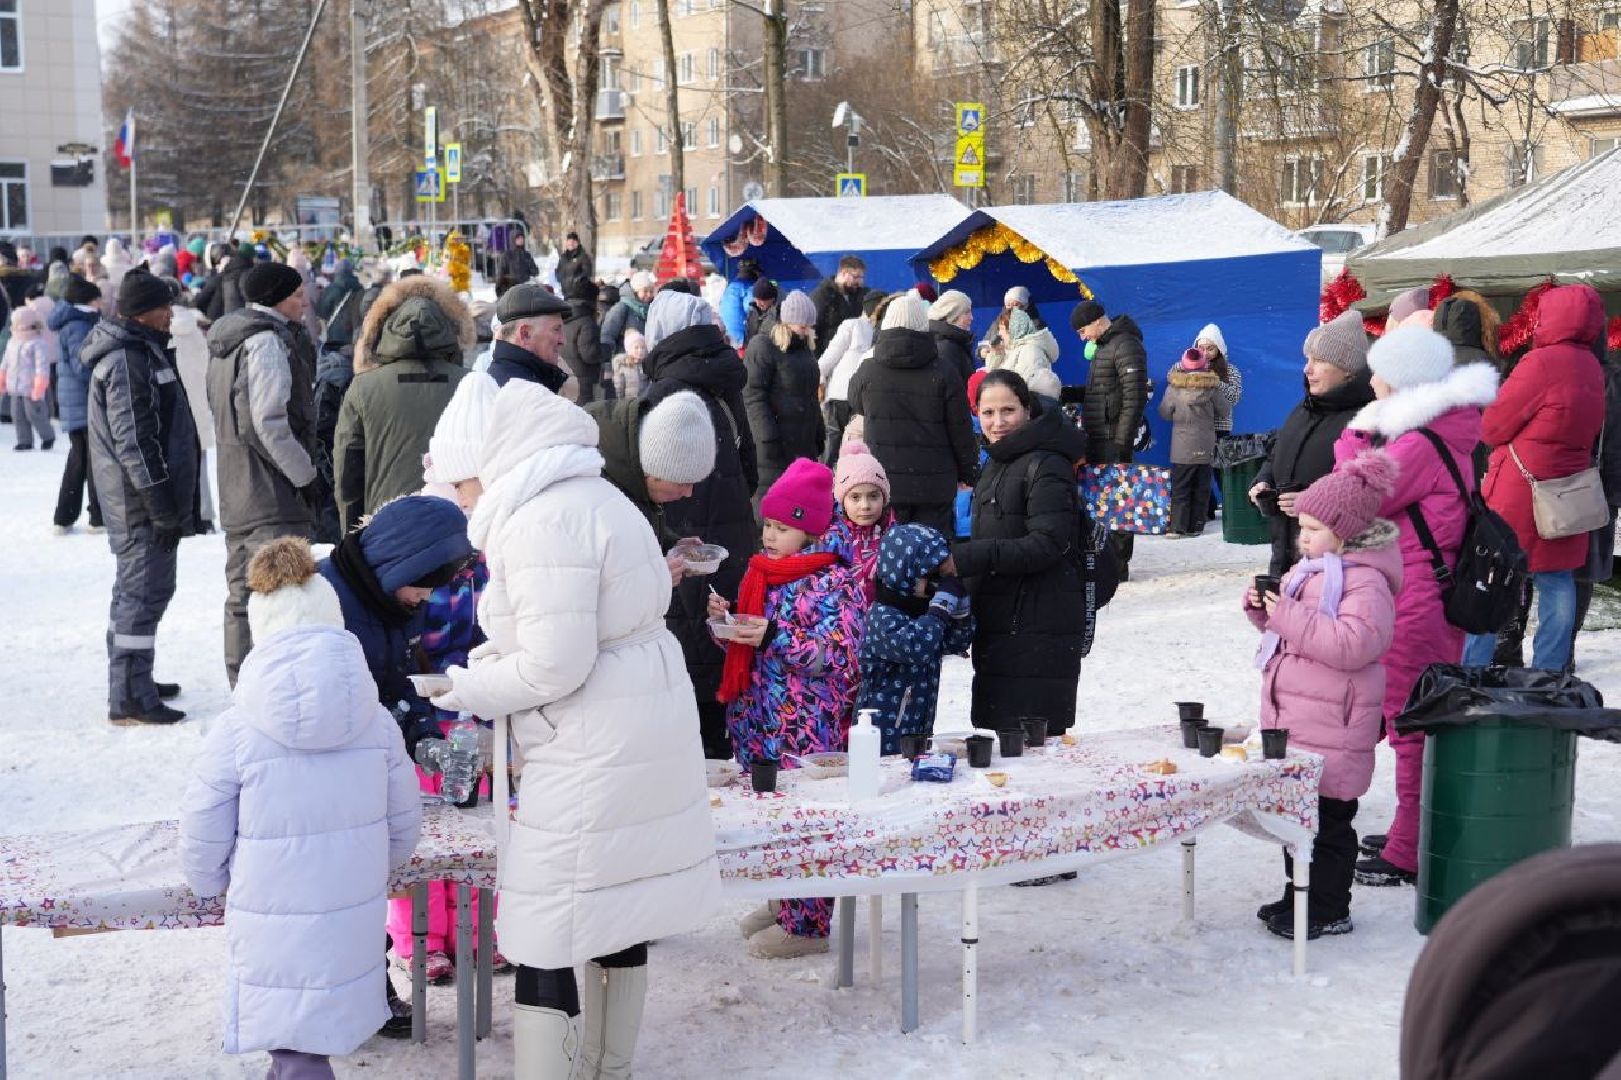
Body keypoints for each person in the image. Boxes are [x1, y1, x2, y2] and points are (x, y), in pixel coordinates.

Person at [430, 380, 720, 1077]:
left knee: (545, 925)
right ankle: (604, 1070)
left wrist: (464, 686)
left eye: (453, 481)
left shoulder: (539, 520)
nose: (456, 498)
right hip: (634, 719)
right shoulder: (592, 496)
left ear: (485, 464)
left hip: (595, 739)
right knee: (616, 908)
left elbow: (553, 666)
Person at [179, 538, 421, 1080]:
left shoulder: (237, 728)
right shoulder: (375, 719)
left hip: (270, 916)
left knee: (295, 1050)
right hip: (351, 913)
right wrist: (364, 865)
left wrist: (210, 881)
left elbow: (203, 826)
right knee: (306, 1045)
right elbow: (405, 825)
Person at [1332, 325, 1499, 887]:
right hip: (1420, 586)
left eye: (1377, 369)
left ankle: (1410, 847)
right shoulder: (1438, 430)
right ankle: (1414, 826)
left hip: (1416, 595)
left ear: (1398, 379)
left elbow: (1349, 498)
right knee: (1408, 714)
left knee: (1410, 719)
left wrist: (1357, 434)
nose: (1369, 379)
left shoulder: (1418, 443)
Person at [709, 457, 864, 959]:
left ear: (812, 530)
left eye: (782, 527)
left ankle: (809, 925)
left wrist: (773, 635)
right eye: (768, 526)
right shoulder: (764, 573)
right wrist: (728, 624)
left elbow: (842, 655)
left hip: (807, 723)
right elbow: (750, 646)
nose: (770, 537)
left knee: (806, 820)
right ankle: (783, 902)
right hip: (761, 719)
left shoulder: (834, 580)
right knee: (772, 818)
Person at [1243, 450, 1400, 940]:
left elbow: (1354, 646)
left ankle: (1329, 908)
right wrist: (1260, 609)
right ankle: (1299, 898)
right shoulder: (1308, 571)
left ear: (1346, 532)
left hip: (1337, 725)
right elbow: (1287, 631)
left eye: (1312, 529)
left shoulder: (1367, 582)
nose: (1302, 537)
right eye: (1301, 528)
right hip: (1297, 720)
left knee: (1329, 825)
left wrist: (1286, 615)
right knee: (1297, 822)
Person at [1464, 284, 1606, 673]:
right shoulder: (1591, 365)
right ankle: (1548, 673)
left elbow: (1492, 427)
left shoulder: (1540, 363)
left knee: (1493, 580)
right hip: (1565, 494)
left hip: (1520, 493)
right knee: (1558, 582)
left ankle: (1474, 669)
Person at [642, 289, 758, 760]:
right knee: (718, 650)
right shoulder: (720, 379)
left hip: (685, 538)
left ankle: (703, 765)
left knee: (692, 655)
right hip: (731, 536)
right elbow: (750, 468)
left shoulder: (668, 391)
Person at [83, 268, 201, 725]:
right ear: (142, 313)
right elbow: (136, 442)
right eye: (163, 307)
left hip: (139, 502)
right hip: (139, 506)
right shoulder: (128, 361)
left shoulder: (142, 351)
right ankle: (129, 696)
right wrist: (161, 508)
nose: (171, 314)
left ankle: (135, 679)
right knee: (143, 595)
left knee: (140, 593)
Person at [951, 369, 1087, 738]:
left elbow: (1047, 544)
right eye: (988, 412)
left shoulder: (1047, 464)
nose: (997, 422)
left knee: (1033, 746)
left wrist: (970, 557)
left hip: (1038, 626)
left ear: (1027, 409)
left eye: (1007, 410)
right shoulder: (998, 461)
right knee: (1005, 743)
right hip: (1003, 623)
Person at [207, 262, 322, 686]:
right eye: (295, 295)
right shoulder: (265, 342)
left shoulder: (226, 340)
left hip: (236, 485)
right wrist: (305, 475)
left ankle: (242, 686)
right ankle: (274, 689)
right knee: (280, 593)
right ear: (275, 298)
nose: (304, 301)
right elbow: (266, 422)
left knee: (241, 593)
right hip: (271, 491)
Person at [335, 276, 472, 532]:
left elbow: (348, 474)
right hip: (458, 524)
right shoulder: (470, 384)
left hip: (386, 524)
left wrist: (352, 536)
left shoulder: (364, 388)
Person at [1250, 308, 1376, 579]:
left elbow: (1366, 490)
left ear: (1347, 370)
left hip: (1333, 566)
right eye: (1308, 359)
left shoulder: (1365, 419)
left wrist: (1314, 501)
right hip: (1285, 552)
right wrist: (1263, 480)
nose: (1307, 368)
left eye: (1319, 361)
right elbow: (1276, 455)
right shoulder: (1304, 408)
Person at [847, 294, 978, 535]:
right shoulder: (944, 371)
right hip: (935, 484)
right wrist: (969, 472)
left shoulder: (868, 370)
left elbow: (856, 404)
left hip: (885, 482)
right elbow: (961, 430)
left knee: (889, 555)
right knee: (932, 555)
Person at [856, 523, 975, 755]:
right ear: (905, 574)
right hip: (881, 735)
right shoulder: (882, 615)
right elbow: (916, 647)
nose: (937, 586)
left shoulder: (925, 612)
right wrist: (940, 608)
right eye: (931, 577)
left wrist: (960, 612)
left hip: (919, 725)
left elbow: (955, 643)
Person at [1072, 299, 1148, 575]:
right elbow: (1101, 391)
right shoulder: (1105, 347)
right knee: (1103, 501)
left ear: (1096, 321)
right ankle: (1105, 560)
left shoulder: (1126, 345)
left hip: (1114, 438)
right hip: (1098, 435)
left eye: (1083, 330)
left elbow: (1134, 397)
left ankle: (1117, 564)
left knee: (1119, 501)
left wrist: (1122, 441)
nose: (1082, 337)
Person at [744, 289, 824, 499]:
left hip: (803, 440)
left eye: (809, 327)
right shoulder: (763, 345)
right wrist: (767, 436)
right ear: (787, 322)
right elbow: (753, 394)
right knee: (771, 501)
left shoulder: (804, 348)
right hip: (775, 444)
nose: (806, 331)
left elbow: (810, 395)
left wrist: (818, 429)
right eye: (802, 326)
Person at [49, 276, 104, 533]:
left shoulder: (74, 323)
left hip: (75, 402)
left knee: (80, 459)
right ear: (87, 301)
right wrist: (102, 373)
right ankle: (96, 516)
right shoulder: (80, 326)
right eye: (97, 299)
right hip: (82, 402)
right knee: (91, 460)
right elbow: (82, 365)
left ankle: (66, 516)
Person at [1159, 345, 1230, 537]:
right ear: (1203, 366)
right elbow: (1225, 411)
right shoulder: (1212, 387)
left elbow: (1164, 413)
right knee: (1202, 487)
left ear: (1182, 365)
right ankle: (1197, 526)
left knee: (1181, 487)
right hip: (1205, 444)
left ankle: (1178, 527)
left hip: (1182, 447)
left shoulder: (1174, 388)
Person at [817, 288, 884, 464]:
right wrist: (820, 381)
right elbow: (828, 358)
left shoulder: (884, 333)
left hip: (863, 401)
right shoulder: (852, 326)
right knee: (833, 445)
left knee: (855, 448)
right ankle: (825, 481)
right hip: (840, 397)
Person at [167, 299, 216, 534]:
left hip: (172, 404)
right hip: (197, 403)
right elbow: (208, 370)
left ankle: (180, 513)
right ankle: (204, 513)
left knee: (173, 461)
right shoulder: (196, 333)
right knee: (200, 462)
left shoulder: (162, 332)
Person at [824, 440, 894, 595]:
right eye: (855, 497)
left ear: (884, 498)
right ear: (842, 500)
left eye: (873, 496)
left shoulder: (895, 537)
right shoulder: (831, 539)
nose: (865, 505)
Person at [484, 281, 572, 392]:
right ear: (525, 335)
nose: (563, 340)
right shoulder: (528, 394)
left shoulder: (506, 377)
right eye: (556, 329)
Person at [3, 305, 55, 451]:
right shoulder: (12, 341)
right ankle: (24, 440)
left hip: (31, 387)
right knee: (17, 415)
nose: (14, 326)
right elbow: (5, 361)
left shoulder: (37, 342)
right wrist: (2, 375)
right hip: (14, 386)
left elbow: (42, 365)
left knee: (35, 414)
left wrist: (40, 381)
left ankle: (47, 436)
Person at [562, 278, 607, 403]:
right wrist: (605, 350)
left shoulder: (562, 318)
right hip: (583, 381)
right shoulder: (587, 322)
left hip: (564, 375)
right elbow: (590, 354)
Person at [810, 254, 866, 354]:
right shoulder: (822, 296)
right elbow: (812, 330)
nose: (860, 282)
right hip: (827, 356)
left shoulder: (859, 294)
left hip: (851, 355)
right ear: (843, 273)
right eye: (856, 277)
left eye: (861, 278)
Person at [600, 270, 654, 358]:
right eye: (645, 291)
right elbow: (607, 335)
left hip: (644, 361)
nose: (648, 295)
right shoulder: (622, 308)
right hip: (624, 362)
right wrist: (608, 364)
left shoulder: (651, 309)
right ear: (636, 291)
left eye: (651, 291)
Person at [928, 289, 976, 384]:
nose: (971, 317)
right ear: (953, 315)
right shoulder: (946, 348)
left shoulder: (952, 342)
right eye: (966, 312)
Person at [720, 258, 761, 347]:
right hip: (742, 338)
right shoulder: (749, 288)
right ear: (754, 272)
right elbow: (753, 309)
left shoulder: (730, 287)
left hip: (730, 336)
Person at [554, 230, 593, 296]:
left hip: (579, 295)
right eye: (569, 241)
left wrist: (576, 281)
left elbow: (587, 272)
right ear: (566, 242)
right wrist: (559, 277)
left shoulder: (583, 256)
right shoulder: (563, 257)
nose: (571, 243)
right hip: (566, 293)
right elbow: (559, 270)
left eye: (573, 241)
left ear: (577, 243)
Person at [744, 277, 779, 349]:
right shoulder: (752, 312)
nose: (758, 304)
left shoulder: (779, 316)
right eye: (756, 299)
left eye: (761, 300)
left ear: (772, 299)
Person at [612, 328, 646, 400]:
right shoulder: (623, 366)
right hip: (628, 404)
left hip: (644, 403)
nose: (640, 350)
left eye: (642, 348)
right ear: (629, 350)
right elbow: (619, 388)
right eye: (636, 348)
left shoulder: (646, 365)